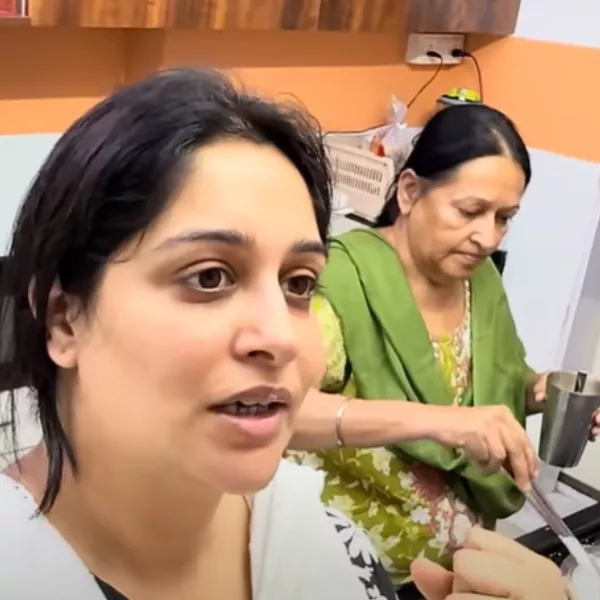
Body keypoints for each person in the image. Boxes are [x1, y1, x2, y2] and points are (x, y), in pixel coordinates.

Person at [0, 68, 398, 600]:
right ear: (63, 320)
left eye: (299, 284)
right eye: (209, 277)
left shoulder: (332, 553)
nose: (281, 337)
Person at [286, 104, 600, 592]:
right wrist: (438, 421)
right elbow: (282, 413)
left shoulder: (480, 280)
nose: (487, 237)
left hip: (461, 567)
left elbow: (493, 381)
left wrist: (541, 391)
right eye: (470, 212)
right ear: (410, 192)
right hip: (355, 570)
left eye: (504, 218)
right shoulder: (343, 284)